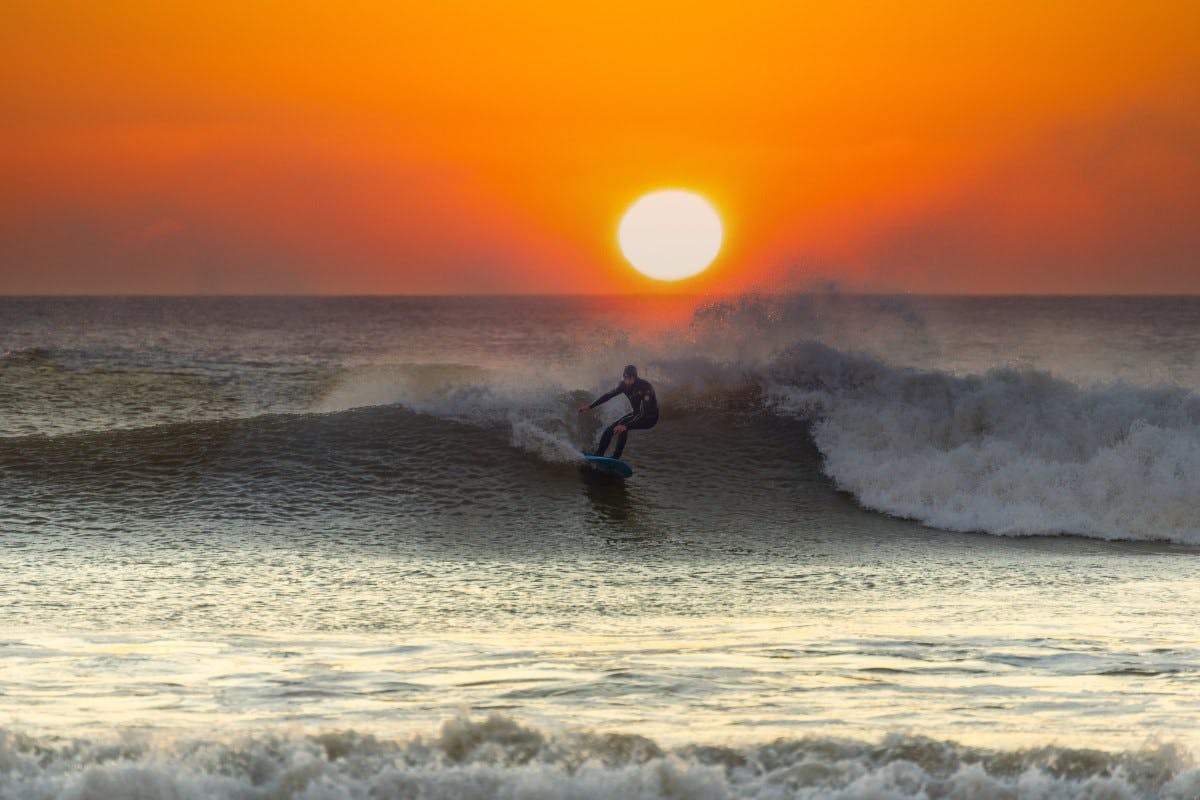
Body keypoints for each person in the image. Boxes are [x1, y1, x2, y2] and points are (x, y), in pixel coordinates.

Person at [578, 364, 658, 459]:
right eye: (624, 377)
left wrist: (626, 426)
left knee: (622, 425)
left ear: (634, 377)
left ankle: (616, 457)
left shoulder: (646, 387)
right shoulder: (624, 385)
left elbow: (643, 413)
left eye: (627, 378)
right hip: (637, 414)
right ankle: (598, 455)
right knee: (609, 430)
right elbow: (609, 395)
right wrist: (590, 406)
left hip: (650, 418)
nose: (625, 380)